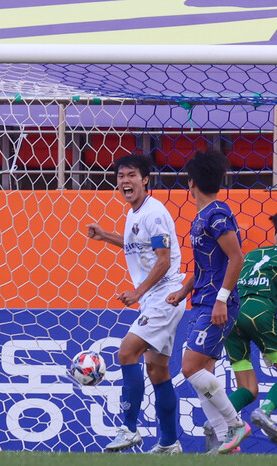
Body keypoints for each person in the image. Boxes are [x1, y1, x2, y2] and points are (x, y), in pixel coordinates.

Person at [87, 153, 186, 454]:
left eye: (131, 175)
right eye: (120, 176)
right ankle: (169, 443)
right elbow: (138, 246)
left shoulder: (153, 214)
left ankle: (128, 429)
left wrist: (138, 291)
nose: (125, 181)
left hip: (165, 296)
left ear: (145, 179)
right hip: (157, 298)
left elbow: (163, 261)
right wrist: (106, 236)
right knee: (157, 371)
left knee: (126, 352)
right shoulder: (135, 212)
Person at [166, 150, 249, 454]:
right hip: (203, 299)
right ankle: (224, 437)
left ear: (191, 182)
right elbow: (206, 266)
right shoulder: (202, 217)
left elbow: (236, 258)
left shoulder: (216, 216)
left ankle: (235, 424)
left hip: (216, 302)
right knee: (204, 373)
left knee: (190, 367)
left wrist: (221, 301)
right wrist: (184, 291)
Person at [223, 209, 277, 447]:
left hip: (231, 314)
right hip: (259, 313)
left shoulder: (253, 254)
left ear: (276, 234)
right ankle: (264, 411)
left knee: (247, 388)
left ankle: (216, 422)